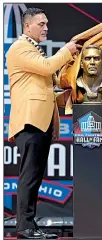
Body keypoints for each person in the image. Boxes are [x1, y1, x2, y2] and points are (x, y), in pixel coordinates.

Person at [6, 7, 81, 239]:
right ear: (27, 26)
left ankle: (30, 226)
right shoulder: (19, 49)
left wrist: (67, 96)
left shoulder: (33, 50)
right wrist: (67, 50)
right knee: (29, 177)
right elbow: (49, 67)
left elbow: (46, 90)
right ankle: (25, 227)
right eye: (41, 24)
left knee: (35, 177)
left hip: (41, 121)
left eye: (47, 23)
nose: (46, 27)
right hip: (30, 122)